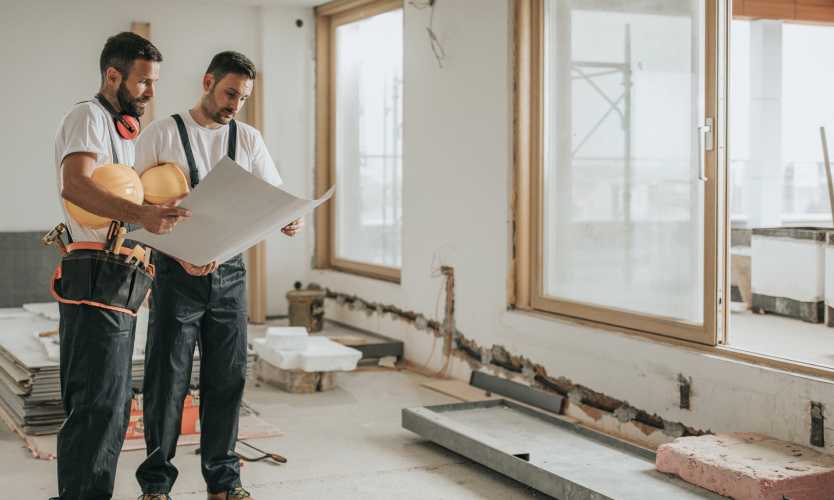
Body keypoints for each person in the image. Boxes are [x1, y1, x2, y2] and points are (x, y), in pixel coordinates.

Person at [133, 51, 304, 500]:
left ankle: (224, 483)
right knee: (165, 381)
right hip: (175, 274)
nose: (234, 104)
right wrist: (181, 252)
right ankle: (155, 486)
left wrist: (289, 219)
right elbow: (137, 212)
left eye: (243, 97)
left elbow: (273, 196)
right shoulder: (160, 133)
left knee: (227, 379)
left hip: (230, 276)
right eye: (230, 93)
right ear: (208, 82)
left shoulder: (247, 137)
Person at [53, 32, 191, 499]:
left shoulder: (122, 134)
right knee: (96, 406)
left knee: (112, 405)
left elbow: (125, 199)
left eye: (154, 83)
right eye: (143, 82)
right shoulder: (88, 116)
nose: (151, 93)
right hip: (93, 272)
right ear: (113, 76)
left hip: (118, 275)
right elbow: (76, 186)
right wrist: (142, 215)